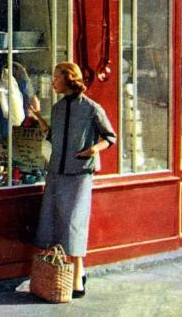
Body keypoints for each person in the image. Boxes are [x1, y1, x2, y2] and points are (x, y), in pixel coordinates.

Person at [29, 62, 116, 298]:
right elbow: (54, 137)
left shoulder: (91, 108)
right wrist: (38, 116)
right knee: (54, 222)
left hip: (79, 174)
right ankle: (75, 272)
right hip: (56, 173)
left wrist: (93, 149)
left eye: (56, 77)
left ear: (68, 79)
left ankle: (77, 279)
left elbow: (110, 137)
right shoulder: (57, 108)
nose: (53, 81)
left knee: (74, 223)